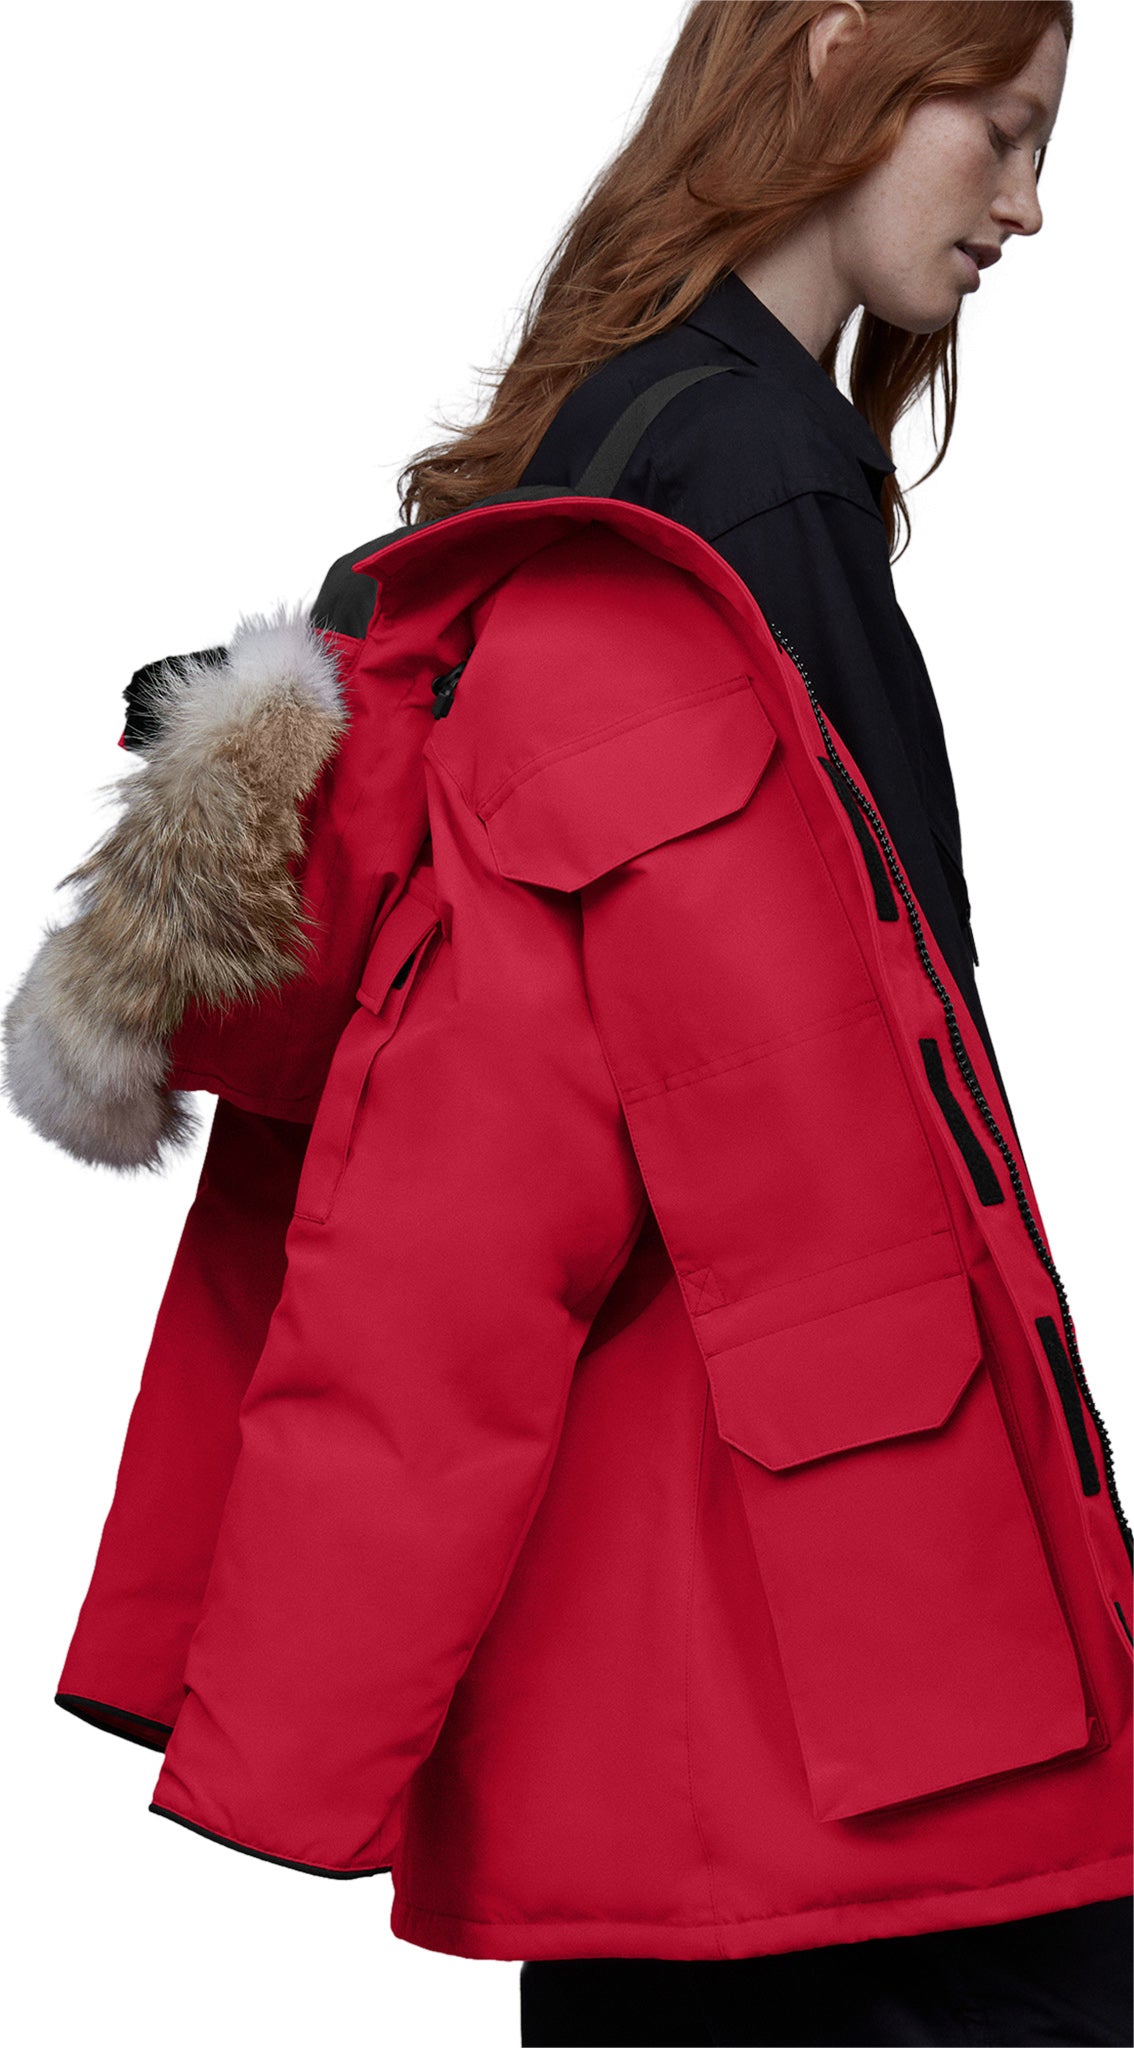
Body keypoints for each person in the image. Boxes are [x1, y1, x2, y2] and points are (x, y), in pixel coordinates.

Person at [393, 4, 1133, 2043]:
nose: (1029, 205)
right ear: (836, 54)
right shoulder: (757, 476)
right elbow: (903, 1073)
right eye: (1001, 128)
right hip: (842, 1575)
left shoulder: (600, 430)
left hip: (633, 1569)